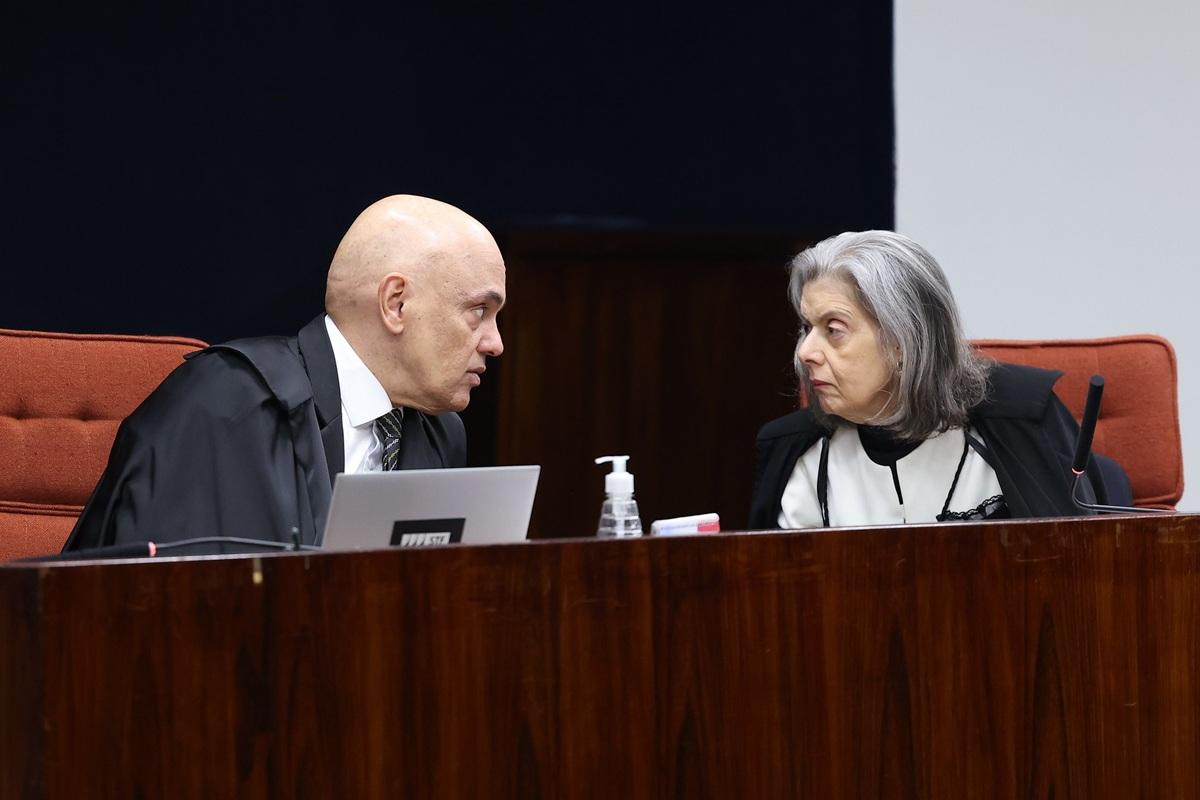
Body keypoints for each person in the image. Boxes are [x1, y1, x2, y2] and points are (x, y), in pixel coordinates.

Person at [63, 194, 505, 552]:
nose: (495, 343)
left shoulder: (441, 435)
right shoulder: (228, 404)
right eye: (479, 312)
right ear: (396, 304)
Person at [749, 230, 1113, 529]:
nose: (805, 352)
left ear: (902, 341)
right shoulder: (797, 452)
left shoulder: (1022, 418)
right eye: (807, 327)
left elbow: (1082, 570)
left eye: (834, 329)